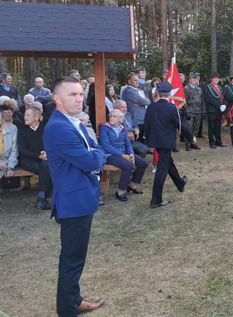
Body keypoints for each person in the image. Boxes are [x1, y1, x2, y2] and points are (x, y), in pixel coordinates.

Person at [43, 76, 107, 315]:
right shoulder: (59, 127)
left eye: (80, 94)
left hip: (80, 199)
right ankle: (67, 309)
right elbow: (91, 158)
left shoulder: (72, 121)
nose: (79, 99)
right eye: (72, 94)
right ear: (57, 98)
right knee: (72, 259)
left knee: (75, 257)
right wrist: (97, 155)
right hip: (73, 202)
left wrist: (96, 154)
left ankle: (74, 300)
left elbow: (95, 148)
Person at [144, 81, 188, 208]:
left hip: (156, 141)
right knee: (161, 171)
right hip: (166, 142)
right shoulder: (171, 107)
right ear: (169, 94)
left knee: (169, 163)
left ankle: (180, 183)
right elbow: (179, 125)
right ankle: (156, 200)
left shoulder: (151, 107)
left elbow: (147, 125)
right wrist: (191, 137)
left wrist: (149, 142)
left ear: (158, 92)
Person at [99, 109, 147, 202]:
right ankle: (120, 190)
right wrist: (122, 155)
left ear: (120, 119)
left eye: (114, 116)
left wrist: (131, 154)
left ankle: (132, 184)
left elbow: (127, 144)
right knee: (128, 165)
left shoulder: (122, 128)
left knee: (143, 163)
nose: (111, 118)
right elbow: (106, 146)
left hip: (124, 153)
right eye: (110, 116)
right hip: (109, 155)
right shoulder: (104, 128)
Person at [18, 105, 53, 210]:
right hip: (28, 159)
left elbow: (52, 144)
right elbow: (23, 150)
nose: (25, 117)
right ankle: (45, 197)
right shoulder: (22, 129)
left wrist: (47, 153)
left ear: (36, 117)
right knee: (46, 168)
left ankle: (41, 198)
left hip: (45, 158)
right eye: (25, 115)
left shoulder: (46, 127)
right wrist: (38, 155)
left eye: (28, 115)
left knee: (46, 165)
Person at [124, 73, 151, 142]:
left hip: (141, 117)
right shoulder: (129, 90)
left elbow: (147, 101)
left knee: (142, 138)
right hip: (136, 118)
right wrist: (143, 103)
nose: (137, 82)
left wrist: (142, 103)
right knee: (138, 139)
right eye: (135, 80)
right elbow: (143, 101)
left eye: (138, 80)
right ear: (129, 81)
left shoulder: (137, 90)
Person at [205, 73, 227, 148]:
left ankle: (218, 141)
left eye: (217, 78)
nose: (216, 79)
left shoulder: (220, 88)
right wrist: (219, 105)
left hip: (219, 111)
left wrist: (224, 105)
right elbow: (209, 98)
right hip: (212, 110)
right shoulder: (208, 87)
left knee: (218, 127)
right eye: (214, 78)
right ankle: (212, 142)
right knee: (211, 127)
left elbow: (224, 97)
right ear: (211, 79)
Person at [184, 72, 205, 147]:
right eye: (193, 79)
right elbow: (184, 101)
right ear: (189, 80)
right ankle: (188, 144)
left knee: (196, 128)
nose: (195, 81)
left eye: (196, 79)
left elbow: (202, 101)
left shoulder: (199, 89)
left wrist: (203, 110)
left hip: (198, 112)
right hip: (190, 111)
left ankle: (194, 143)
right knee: (189, 128)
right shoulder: (186, 89)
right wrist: (186, 111)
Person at [0, 109, 18, 188]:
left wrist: (10, 167)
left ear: (3, 118)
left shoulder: (13, 128)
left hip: (7, 160)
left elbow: (15, 150)